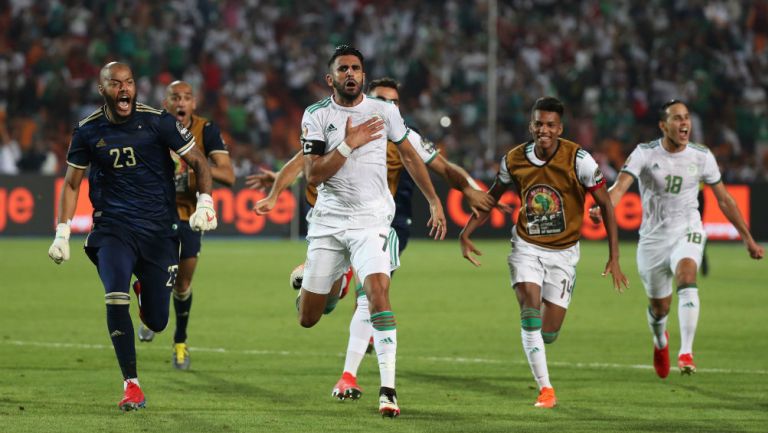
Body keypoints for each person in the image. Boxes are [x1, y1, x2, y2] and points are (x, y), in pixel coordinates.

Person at [248, 77, 496, 404]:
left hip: (382, 225)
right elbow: (302, 162)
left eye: (393, 102)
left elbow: (443, 166)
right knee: (321, 308)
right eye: (381, 99)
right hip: (336, 223)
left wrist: (466, 189)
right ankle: (321, 283)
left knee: (371, 297)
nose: (387, 106)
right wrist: (276, 187)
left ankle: (351, 376)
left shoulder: (403, 137)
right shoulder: (342, 126)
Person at [47, 62, 218, 411]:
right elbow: (71, 183)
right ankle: (132, 384)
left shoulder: (158, 121)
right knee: (114, 296)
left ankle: (146, 292)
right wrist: (62, 232)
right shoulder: (87, 130)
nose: (124, 89)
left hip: (159, 232)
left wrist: (205, 203)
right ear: (102, 90)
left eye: (129, 83)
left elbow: (200, 161)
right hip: (113, 228)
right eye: (115, 83)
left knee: (157, 320)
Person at [295, 45, 447, 418]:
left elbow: (410, 154)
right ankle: (327, 288)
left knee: (378, 291)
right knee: (308, 317)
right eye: (343, 69)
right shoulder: (316, 116)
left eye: (356, 68)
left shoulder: (385, 111)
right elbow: (313, 174)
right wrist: (349, 143)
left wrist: (433, 199)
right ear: (331, 78)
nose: (351, 73)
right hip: (329, 222)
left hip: (372, 220)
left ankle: (388, 390)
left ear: (363, 75)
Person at [460, 96, 628, 409]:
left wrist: (614, 256)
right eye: (539, 123)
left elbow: (605, 203)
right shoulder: (513, 159)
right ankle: (546, 389)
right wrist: (466, 231)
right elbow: (491, 197)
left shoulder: (580, 160)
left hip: (564, 254)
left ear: (560, 128)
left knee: (548, 332)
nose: (544, 130)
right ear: (531, 125)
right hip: (525, 247)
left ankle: (542, 350)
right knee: (529, 312)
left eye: (550, 125)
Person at [590, 99, 763, 378]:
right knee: (660, 308)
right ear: (663, 125)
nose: (684, 123)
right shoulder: (644, 154)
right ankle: (661, 341)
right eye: (677, 118)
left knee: (687, 275)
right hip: (653, 240)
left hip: (688, 229)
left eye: (687, 118)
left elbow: (725, 199)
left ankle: (686, 352)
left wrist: (748, 238)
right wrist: (603, 206)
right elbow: (620, 187)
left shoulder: (701, 155)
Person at [135, 80, 235, 371]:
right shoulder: (153, 126)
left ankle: (180, 341)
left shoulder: (206, 131)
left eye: (187, 97)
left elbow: (228, 176)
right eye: (175, 97)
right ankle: (152, 314)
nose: (181, 102)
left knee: (183, 283)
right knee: (150, 274)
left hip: (190, 215)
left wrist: (196, 164)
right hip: (156, 214)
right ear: (165, 103)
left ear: (194, 103)